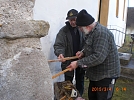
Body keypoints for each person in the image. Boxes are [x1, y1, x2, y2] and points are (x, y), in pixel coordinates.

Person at [67, 9, 120, 100]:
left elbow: (98, 57)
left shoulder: (101, 33)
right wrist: (83, 52)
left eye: (80, 27)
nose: (80, 30)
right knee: (92, 96)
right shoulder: (91, 32)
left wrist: (77, 63)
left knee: (102, 98)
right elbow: (90, 46)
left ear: (87, 26)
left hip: (106, 75)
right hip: (96, 74)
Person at [53, 9, 85, 96]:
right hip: (67, 61)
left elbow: (87, 43)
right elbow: (59, 45)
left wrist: (83, 52)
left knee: (80, 80)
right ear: (68, 20)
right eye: (71, 20)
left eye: (75, 19)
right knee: (68, 82)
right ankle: (70, 97)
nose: (73, 22)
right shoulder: (63, 31)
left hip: (80, 59)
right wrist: (60, 53)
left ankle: (79, 96)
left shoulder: (82, 29)